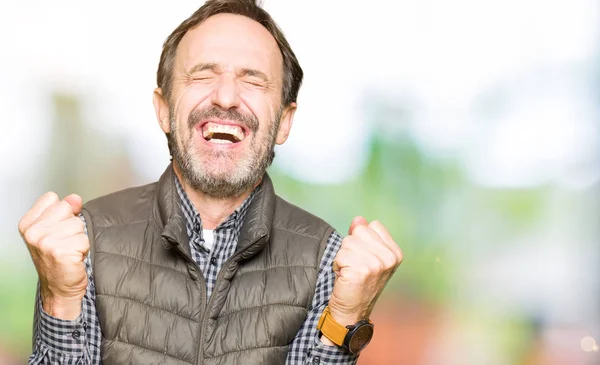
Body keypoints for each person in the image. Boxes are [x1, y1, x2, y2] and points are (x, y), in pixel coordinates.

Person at [19, 1, 403, 364]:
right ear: (164, 109)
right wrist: (61, 298)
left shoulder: (328, 262)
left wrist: (346, 316)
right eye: (203, 74)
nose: (225, 96)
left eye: (253, 80)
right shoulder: (85, 242)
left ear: (284, 121)